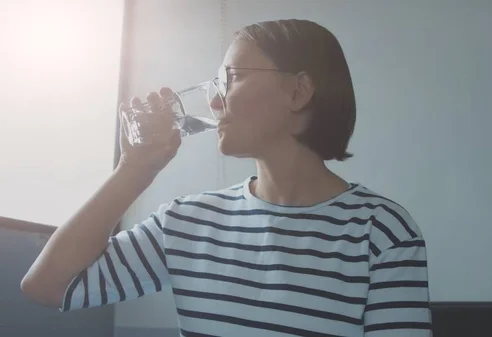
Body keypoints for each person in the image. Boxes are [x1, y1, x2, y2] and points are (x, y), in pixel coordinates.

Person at [21, 19, 432, 336]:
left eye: (230, 78)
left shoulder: (381, 232)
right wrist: (134, 169)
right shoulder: (187, 221)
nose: (214, 99)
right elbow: (46, 286)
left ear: (298, 92)